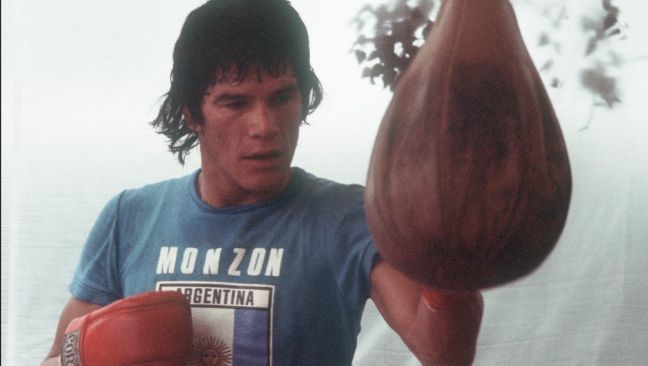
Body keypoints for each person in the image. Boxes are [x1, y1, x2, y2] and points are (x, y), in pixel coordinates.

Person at [42, 0, 483, 365]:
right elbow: (54, 359)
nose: (265, 126)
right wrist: (91, 355)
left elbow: (445, 354)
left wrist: (451, 259)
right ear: (190, 114)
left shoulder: (352, 217)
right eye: (234, 103)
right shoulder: (130, 217)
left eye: (282, 97)